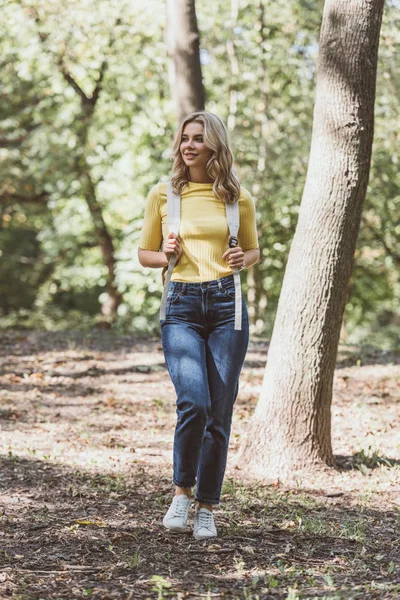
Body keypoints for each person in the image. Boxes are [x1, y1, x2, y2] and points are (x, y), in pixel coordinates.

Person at [138, 111, 260, 540]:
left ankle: (207, 506)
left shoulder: (236, 197)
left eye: (199, 139)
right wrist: (164, 251)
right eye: (185, 138)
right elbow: (145, 254)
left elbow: (252, 251)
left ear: (215, 145)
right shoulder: (164, 194)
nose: (189, 145)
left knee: (220, 412)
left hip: (228, 307)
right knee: (195, 403)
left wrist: (243, 259)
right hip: (182, 305)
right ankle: (180, 493)